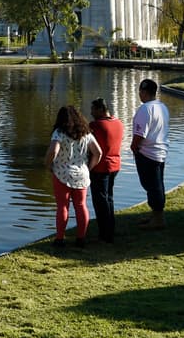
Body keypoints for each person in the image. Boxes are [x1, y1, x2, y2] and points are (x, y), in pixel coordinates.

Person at [44, 105, 102, 247]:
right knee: (81, 206)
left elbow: (53, 151)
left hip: (62, 173)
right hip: (81, 174)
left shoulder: (59, 132)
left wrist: (47, 164)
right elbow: (98, 152)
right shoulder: (86, 133)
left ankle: (59, 239)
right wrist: (89, 168)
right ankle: (81, 238)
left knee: (62, 207)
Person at [130, 77, 169, 228]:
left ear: (144, 92)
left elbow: (140, 134)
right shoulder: (162, 107)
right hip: (160, 151)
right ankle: (156, 215)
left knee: (152, 186)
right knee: (157, 185)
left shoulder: (145, 109)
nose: (139, 94)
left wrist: (134, 148)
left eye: (140, 91)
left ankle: (158, 219)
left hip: (147, 153)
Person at [88, 97, 124, 243]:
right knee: (109, 198)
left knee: (100, 201)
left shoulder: (95, 126)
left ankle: (105, 234)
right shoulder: (119, 123)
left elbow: (88, 146)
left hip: (100, 167)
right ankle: (110, 229)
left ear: (101, 110)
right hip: (115, 165)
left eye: (93, 110)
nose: (91, 113)